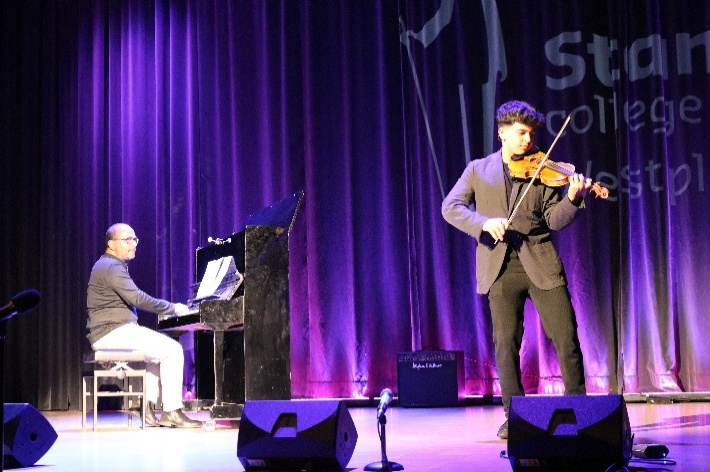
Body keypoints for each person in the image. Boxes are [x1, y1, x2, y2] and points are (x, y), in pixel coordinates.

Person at [441, 100, 590, 439]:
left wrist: (572, 198)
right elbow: (450, 207)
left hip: (541, 262)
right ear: (502, 133)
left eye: (532, 134)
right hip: (500, 267)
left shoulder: (544, 169)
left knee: (566, 336)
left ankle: (580, 411)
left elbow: (554, 220)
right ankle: (515, 416)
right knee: (505, 344)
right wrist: (483, 222)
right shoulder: (478, 170)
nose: (528, 140)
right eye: (522, 133)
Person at [86, 223, 202, 428]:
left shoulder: (108, 265)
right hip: (112, 332)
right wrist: (173, 308)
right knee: (173, 350)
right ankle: (172, 412)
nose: (133, 244)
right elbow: (138, 298)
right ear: (111, 244)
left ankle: (146, 408)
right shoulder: (111, 266)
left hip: (110, 331)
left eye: (135, 240)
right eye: (128, 240)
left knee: (158, 354)